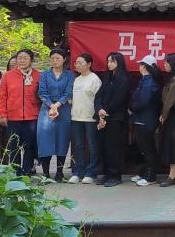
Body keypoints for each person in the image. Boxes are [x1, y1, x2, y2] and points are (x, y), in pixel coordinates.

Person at [0, 50, 42, 176]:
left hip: (32, 116)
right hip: (13, 116)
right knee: (14, 146)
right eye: (19, 58)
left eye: (25, 58)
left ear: (31, 60)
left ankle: (27, 171)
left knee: (29, 145)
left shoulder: (39, 75)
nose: (22, 61)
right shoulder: (8, 76)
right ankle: (15, 172)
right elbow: (2, 96)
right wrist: (2, 114)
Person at [37, 48, 75, 182]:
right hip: (46, 109)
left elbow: (68, 92)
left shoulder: (70, 75)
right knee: (44, 140)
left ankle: (59, 173)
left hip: (63, 109)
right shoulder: (45, 74)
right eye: (52, 58)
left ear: (64, 59)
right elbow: (42, 92)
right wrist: (51, 105)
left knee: (62, 140)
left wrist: (57, 105)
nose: (55, 60)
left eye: (58, 58)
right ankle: (46, 173)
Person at [95, 52, 129, 187]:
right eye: (108, 61)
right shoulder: (107, 77)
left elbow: (119, 99)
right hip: (103, 117)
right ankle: (107, 174)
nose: (109, 64)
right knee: (103, 147)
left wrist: (105, 111)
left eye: (112, 61)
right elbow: (98, 95)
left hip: (116, 118)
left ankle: (115, 175)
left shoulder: (123, 79)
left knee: (113, 148)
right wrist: (99, 109)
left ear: (119, 62)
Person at [69, 53, 100, 184]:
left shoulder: (95, 79)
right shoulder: (77, 79)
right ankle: (78, 172)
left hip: (90, 118)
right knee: (78, 146)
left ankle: (91, 172)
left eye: (80, 63)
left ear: (89, 64)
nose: (77, 65)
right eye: (76, 63)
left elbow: (98, 99)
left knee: (92, 145)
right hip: (76, 117)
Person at [130, 55, 161, 187]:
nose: (139, 67)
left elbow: (142, 101)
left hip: (145, 120)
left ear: (144, 66)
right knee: (143, 149)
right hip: (142, 119)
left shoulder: (148, 82)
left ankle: (150, 176)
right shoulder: (146, 80)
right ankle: (144, 173)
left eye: (141, 64)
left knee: (148, 149)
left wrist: (132, 108)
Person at [157, 53, 175, 186]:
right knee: (169, 144)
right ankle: (171, 174)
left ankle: (173, 176)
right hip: (171, 114)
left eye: (167, 62)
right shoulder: (172, 78)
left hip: (174, 114)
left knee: (173, 145)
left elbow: (170, 100)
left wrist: (164, 115)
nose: (164, 64)